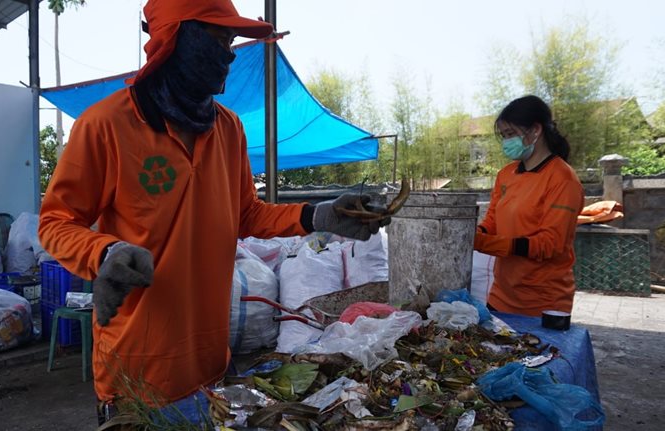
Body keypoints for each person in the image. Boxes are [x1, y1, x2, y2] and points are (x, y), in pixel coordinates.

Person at [37, 0, 388, 425]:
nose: (229, 55)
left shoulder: (227, 128)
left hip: (210, 367)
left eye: (232, 40)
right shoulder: (106, 125)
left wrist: (317, 216)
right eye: (219, 39)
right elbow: (56, 222)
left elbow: (246, 214)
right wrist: (104, 253)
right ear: (175, 39)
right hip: (137, 376)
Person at [474, 95, 584, 317]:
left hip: (543, 301)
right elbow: (492, 221)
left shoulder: (563, 179)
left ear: (535, 130)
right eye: (504, 136)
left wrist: (489, 244)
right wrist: (473, 234)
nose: (506, 142)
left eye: (511, 134)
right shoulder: (506, 175)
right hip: (501, 294)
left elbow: (550, 243)